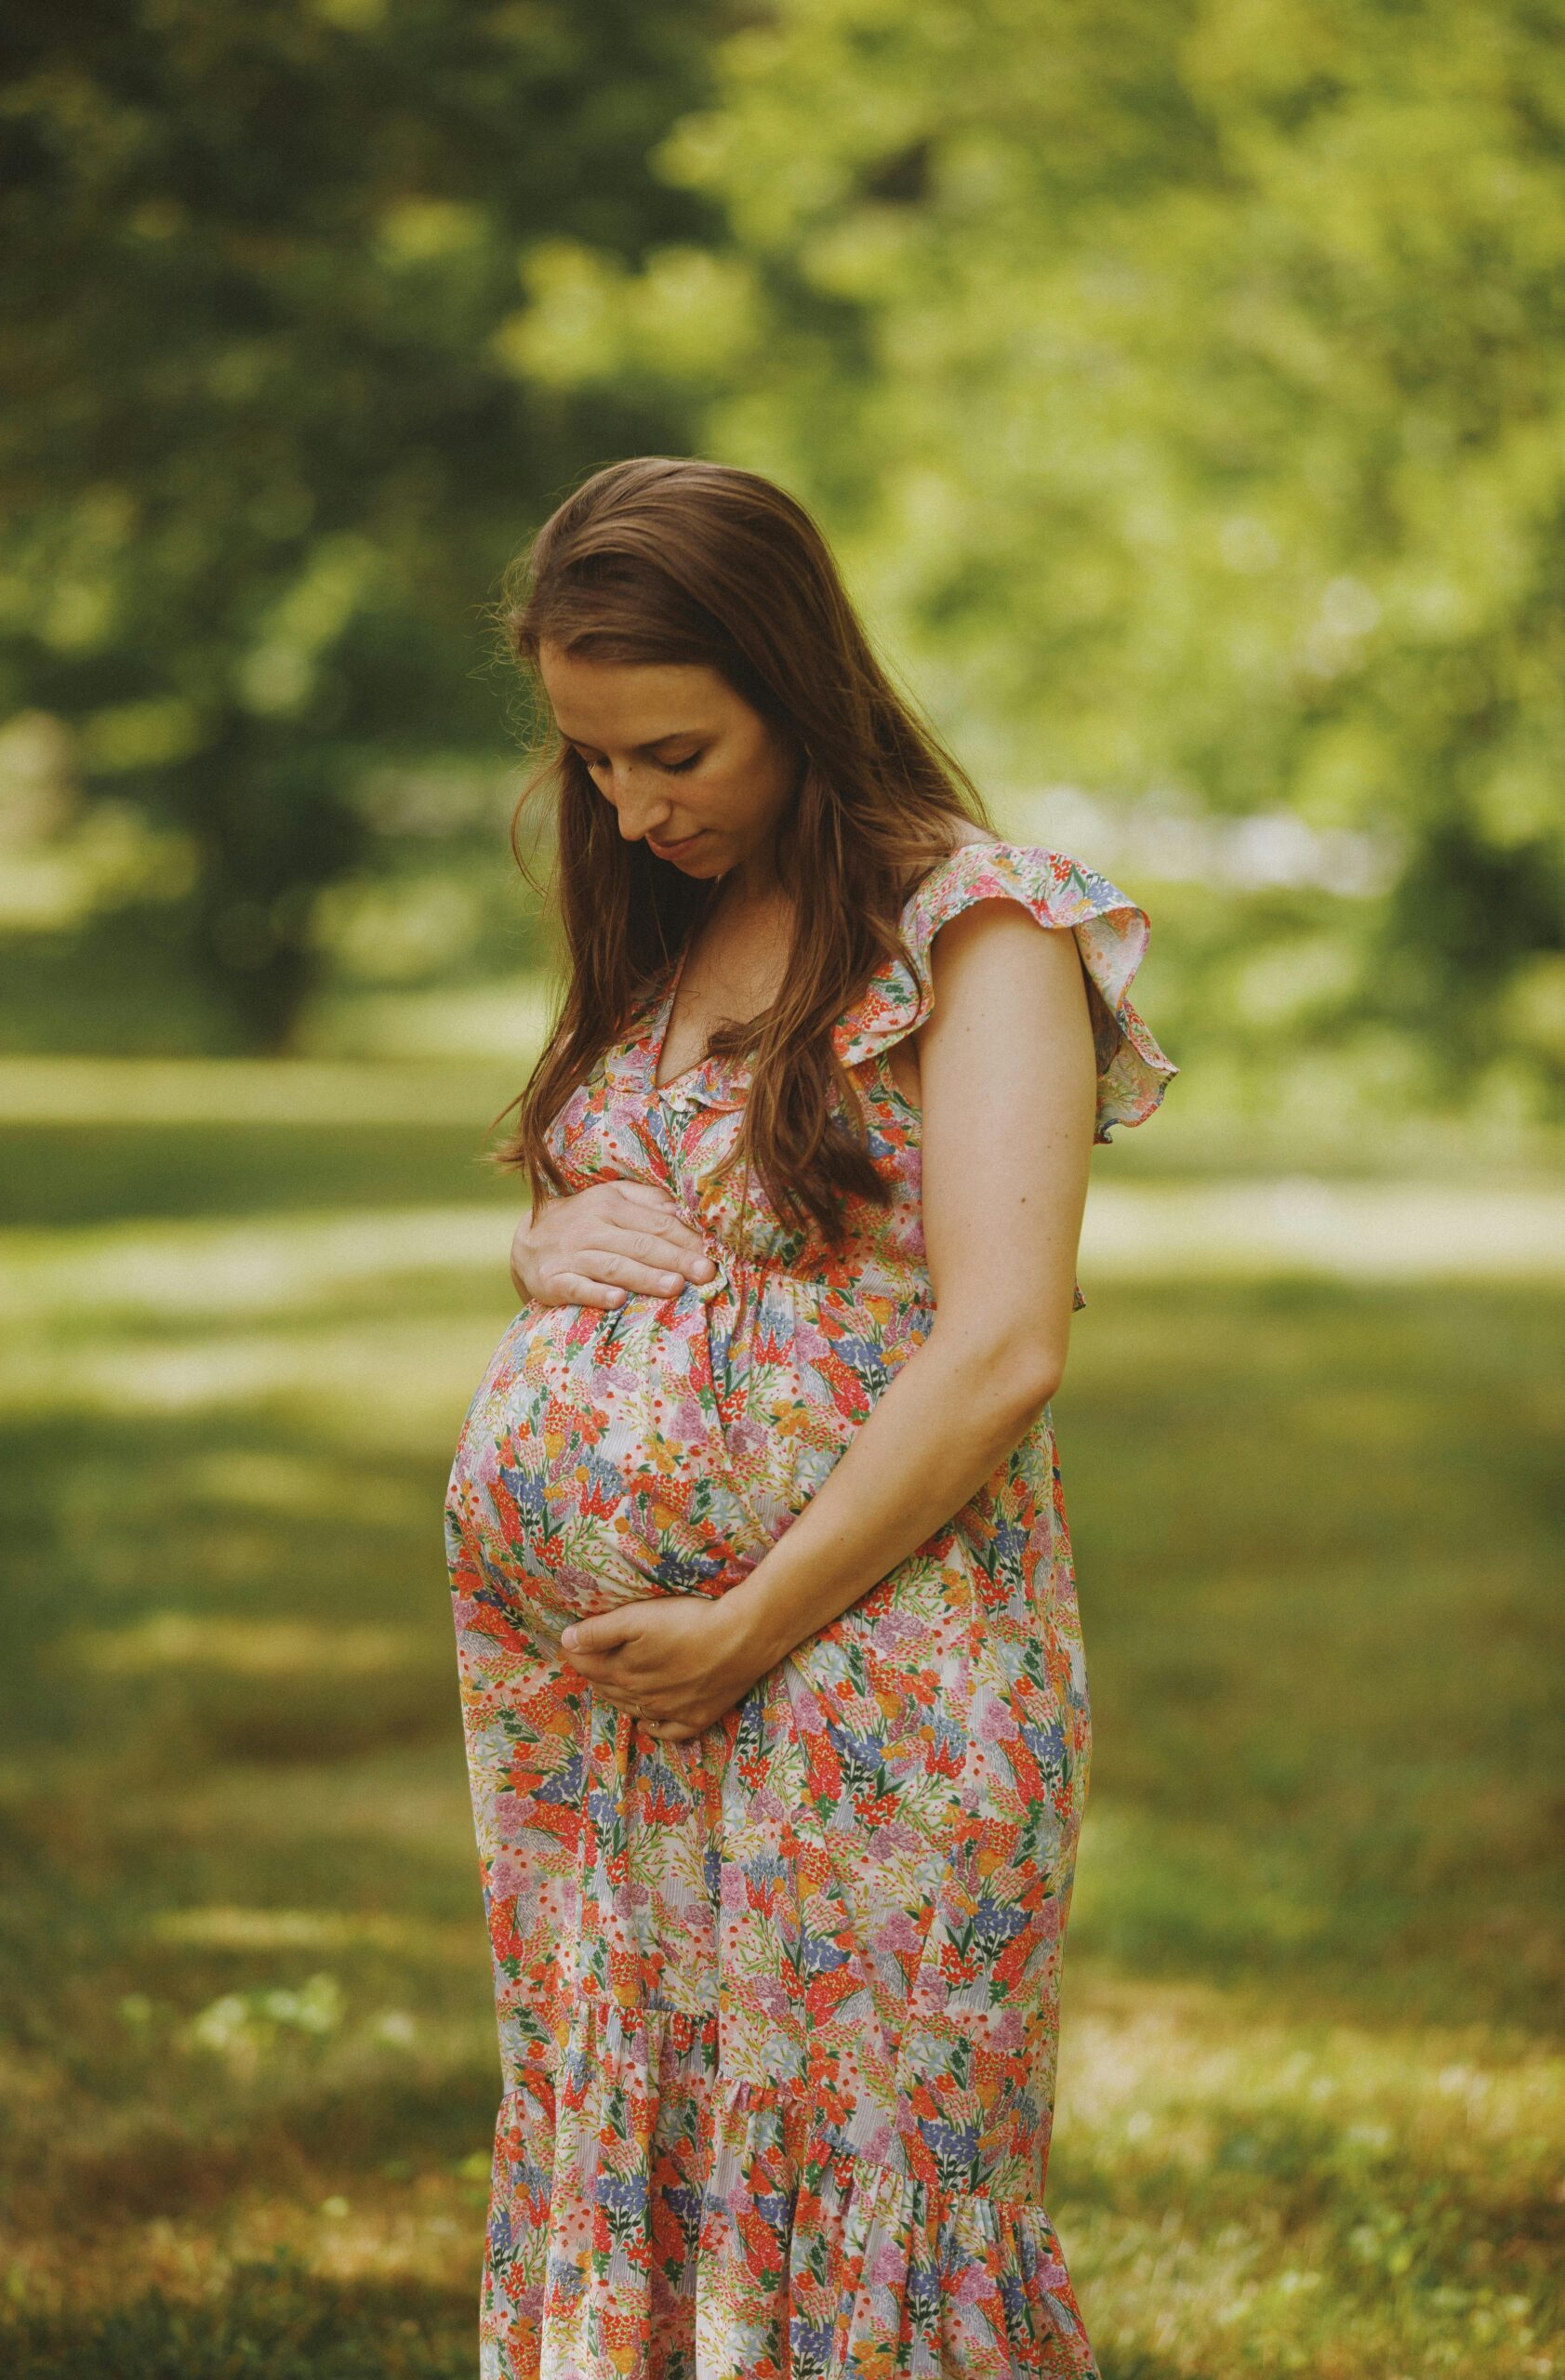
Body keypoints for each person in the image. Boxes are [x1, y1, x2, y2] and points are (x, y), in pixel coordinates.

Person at [445, 456, 1178, 2380]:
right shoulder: (668, 908)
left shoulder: (978, 925)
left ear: (792, 674)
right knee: (652, 2155)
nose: (629, 802)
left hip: (871, 1679)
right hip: (620, 1722)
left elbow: (1002, 1341)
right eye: (592, 760)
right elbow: (651, 1196)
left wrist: (740, 1624)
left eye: (671, 750)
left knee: (861, 2172)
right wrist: (546, 1253)